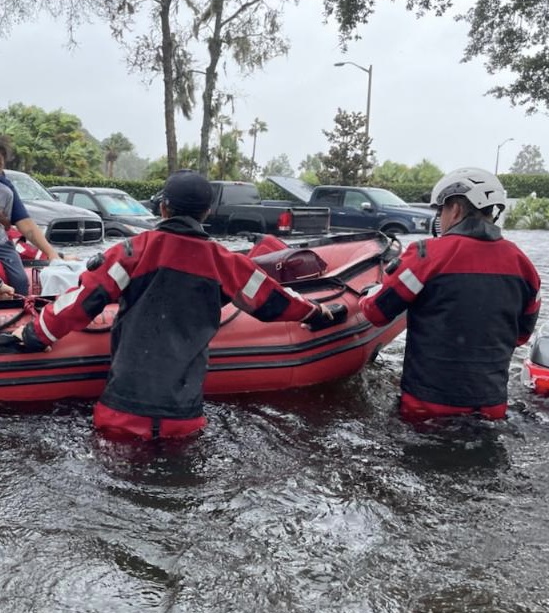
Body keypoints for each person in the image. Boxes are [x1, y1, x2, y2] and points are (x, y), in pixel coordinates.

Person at [13, 170, 332, 440]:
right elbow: (275, 301)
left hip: (122, 414)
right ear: (206, 213)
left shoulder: (130, 253)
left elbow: (80, 302)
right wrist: (317, 313)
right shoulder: (226, 263)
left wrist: (33, 336)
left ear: (163, 208)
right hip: (184, 419)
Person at [359, 167, 541, 423]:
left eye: (440, 210)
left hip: (426, 406)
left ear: (454, 208)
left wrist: (368, 293)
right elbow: (521, 336)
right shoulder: (524, 266)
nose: (439, 217)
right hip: (491, 407)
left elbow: (376, 312)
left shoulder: (426, 255)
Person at [0, 138, 62, 294]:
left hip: (1, 244)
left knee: (20, 281)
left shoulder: (5, 189)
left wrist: (52, 253)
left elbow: (25, 224)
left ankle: (19, 308)